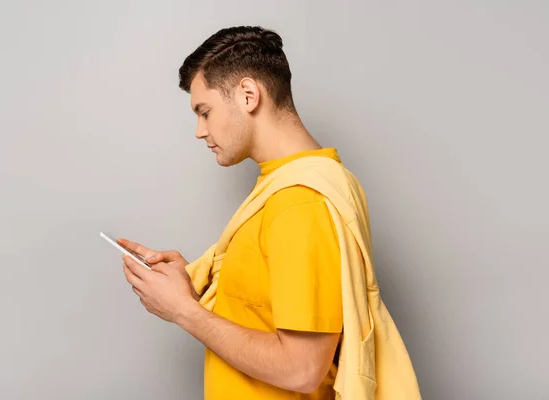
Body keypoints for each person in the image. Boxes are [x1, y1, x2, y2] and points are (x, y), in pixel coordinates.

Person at [118, 26, 420, 400]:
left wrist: (185, 313)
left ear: (248, 95)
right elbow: (258, 314)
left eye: (205, 111)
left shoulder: (299, 203)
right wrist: (191, 285)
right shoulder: (286, 187)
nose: (199, 130)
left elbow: (302, 369)